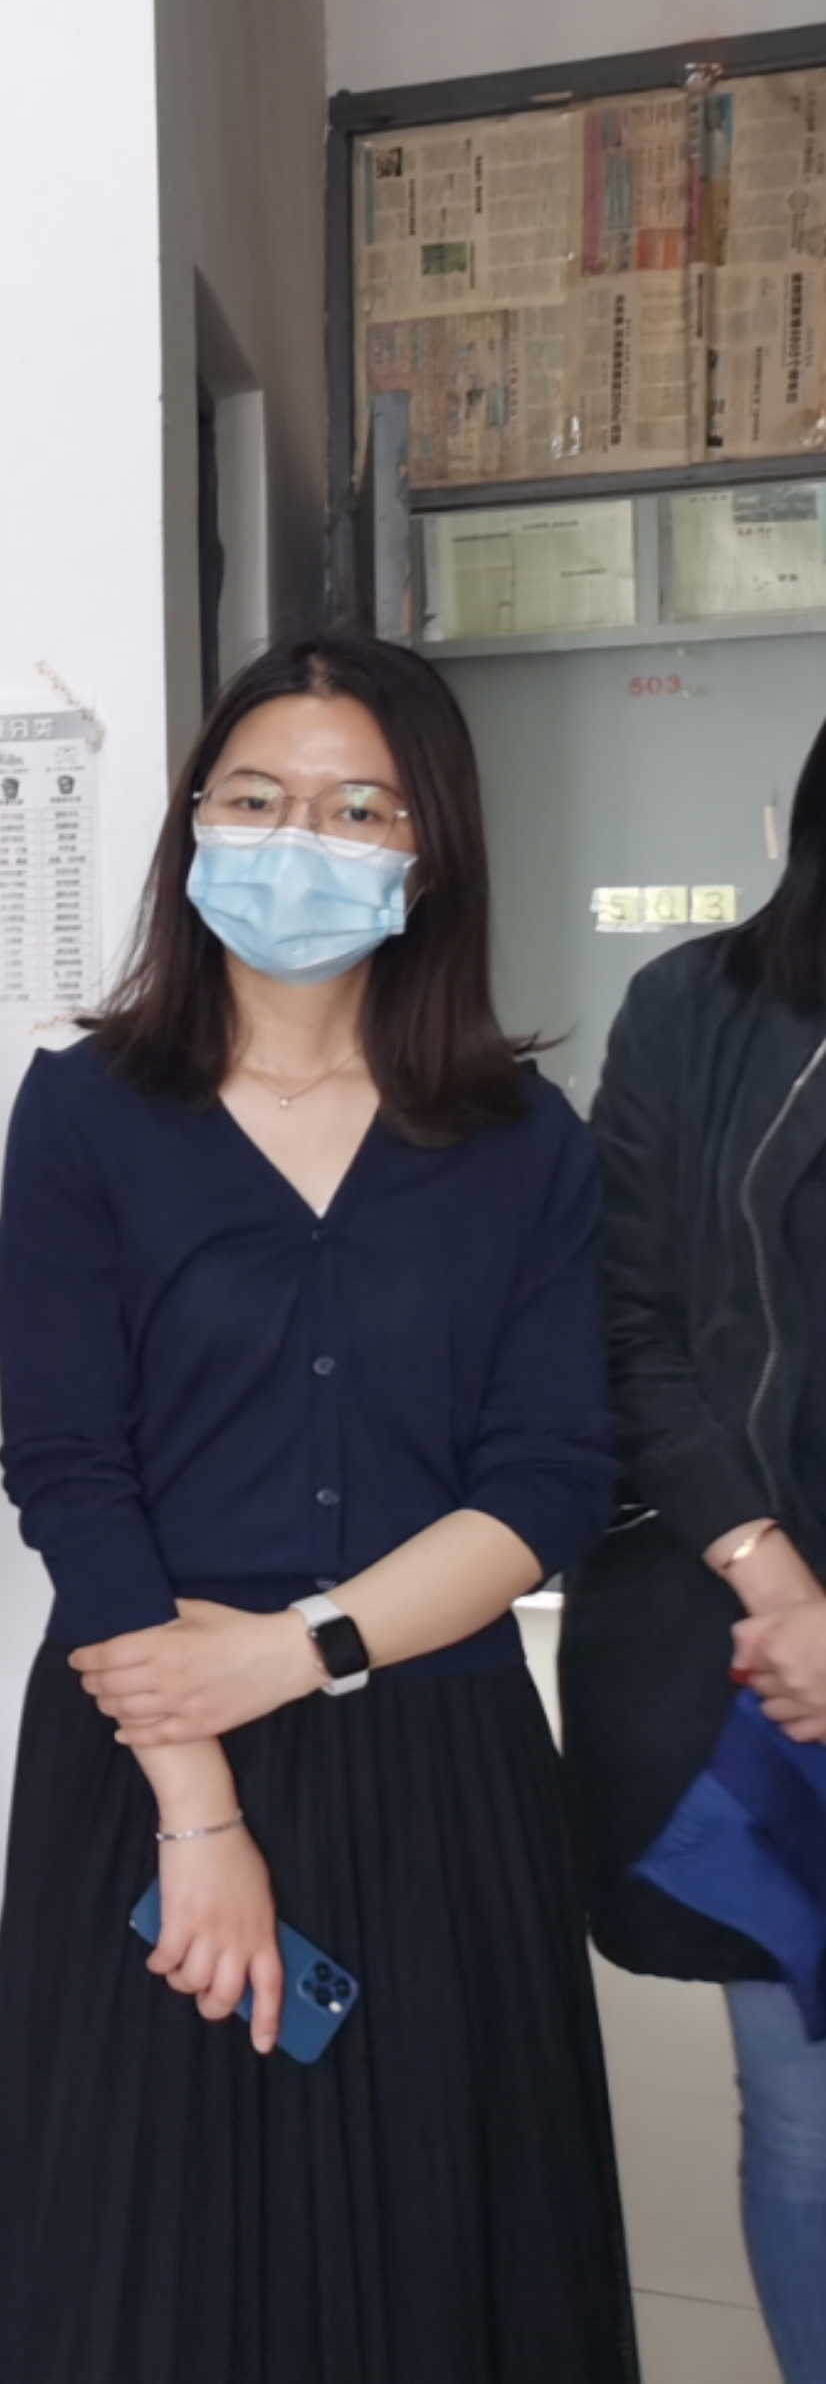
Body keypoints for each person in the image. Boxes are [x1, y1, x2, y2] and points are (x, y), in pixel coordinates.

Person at [0, 632, 635, 2383]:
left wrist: (299, 1650)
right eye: (252, 799)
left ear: (427, 851)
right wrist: (197, 1813)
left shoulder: (524, 1142)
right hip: (144, 1747)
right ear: (192, 824)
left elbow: (549, 1476)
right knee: (149, 2263)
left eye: (353, 808)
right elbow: (69, 1468)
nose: (295, 840)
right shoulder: (83, 1114)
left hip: (435, 1765)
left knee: (438, 2251)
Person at [567, 701, 826, 2383]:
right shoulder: (697, 1009)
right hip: (766, 1650)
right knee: (803, 2106)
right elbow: (629, 1320)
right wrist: (775, 1580)